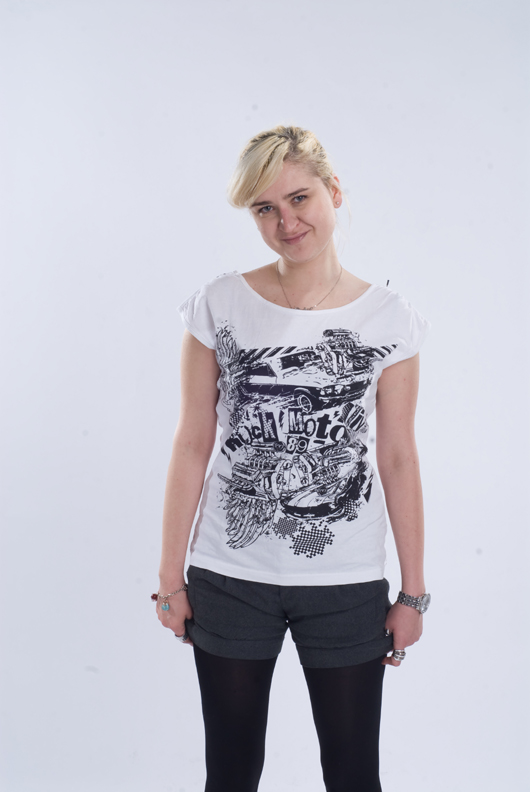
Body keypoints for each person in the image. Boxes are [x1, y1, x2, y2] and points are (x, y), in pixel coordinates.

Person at [154, 125, 431, 792]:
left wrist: (413, 592)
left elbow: (398, 456)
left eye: (299, 198)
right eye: (265, 209)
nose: (287, 223)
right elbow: (192, 441)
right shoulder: (219, 304)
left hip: (346, 584)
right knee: (230, 773)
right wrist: (169, 579)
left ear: (334, 191)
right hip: (228, 578)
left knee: (353, 775)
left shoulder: (389, 319)